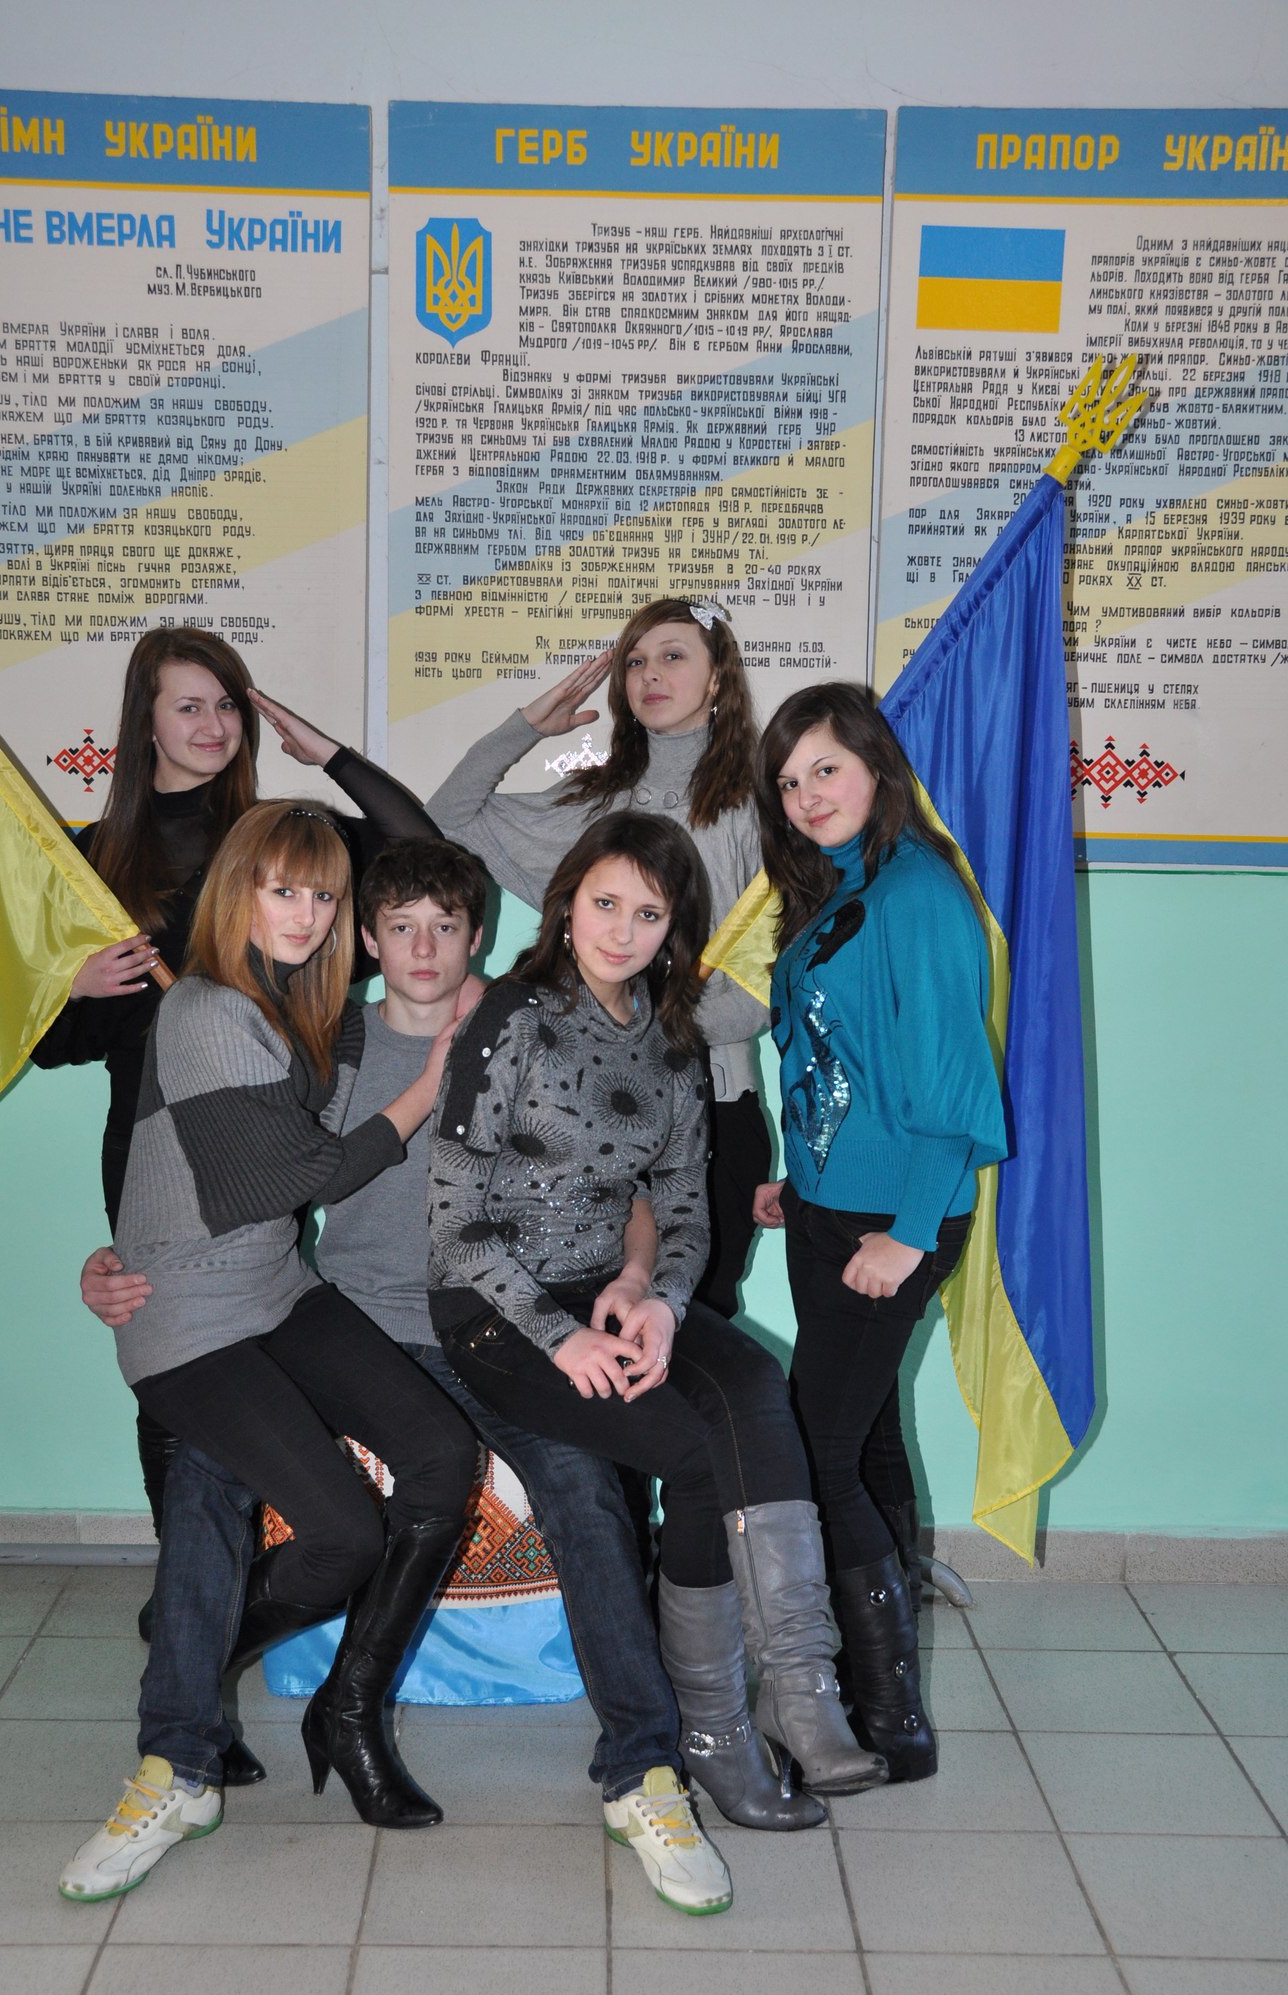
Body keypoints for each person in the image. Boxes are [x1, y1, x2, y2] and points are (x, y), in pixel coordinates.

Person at [81, 833, 820, 1913]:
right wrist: (115, 1256)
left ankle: (641, 1772)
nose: (422, 948)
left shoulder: (522, 1026)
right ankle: (182, 1748)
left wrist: (635, 1275)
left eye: (446, 926)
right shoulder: (321, 1035)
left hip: (492, 1329)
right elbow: (198, 1154)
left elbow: (631, 1181)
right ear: (365, 937)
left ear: (480, 936)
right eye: (398, 927)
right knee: (208, 1472)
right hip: (340, 1315)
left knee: (582, 1490)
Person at [427, 811, 888, 1909]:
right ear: (567, 902)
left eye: (648, 913)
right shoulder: (510, 1018)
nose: (622, 932)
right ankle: (716, 1733)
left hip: (613, 1286)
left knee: (755, 1385)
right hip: (497, 1311)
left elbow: (682, 1204)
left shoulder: (672, 1037)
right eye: (605, 904)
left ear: (675, 926)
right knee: (694, 1450)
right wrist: (565, 1335)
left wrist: (659, 1300)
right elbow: (452, 1226)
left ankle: (798, 1690)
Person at [31, 628, 440, 1781]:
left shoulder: (276, 837)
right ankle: (194, 1662)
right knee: (186, 1429)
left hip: (276, 1150)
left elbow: (422, 855)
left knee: (247, 1367)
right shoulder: (92, 857)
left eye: (227, 705)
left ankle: (196, 1643)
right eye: (188, 705)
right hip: (157, 1148)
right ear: (144, 720)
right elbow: (48, 1041)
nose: (212, 725)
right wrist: (66, 984)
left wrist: (333, 754)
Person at [58, 802, 478, 1904]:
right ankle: (175, 1756)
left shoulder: (298, 1003)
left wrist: (476, 988)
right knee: (337, 1532)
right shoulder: (203, 1008)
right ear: (236, 889)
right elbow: (289, 1180)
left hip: (278, 1288)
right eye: (281, 889)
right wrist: (434, 1075)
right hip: (187, 1316)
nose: (305, 913)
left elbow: (423, 863)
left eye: (324, 895)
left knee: (440, 1453)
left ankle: (209, 1667)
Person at [752, 683, 1007, 1781]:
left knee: (817, 1450)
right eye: (789, 779)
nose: (808, 794)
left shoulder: (918, 893)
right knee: (861, 1437)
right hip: (830, 1206)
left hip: (894, 1216)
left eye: (827, 768)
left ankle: (890, 1716)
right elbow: (837, 1057)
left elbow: (954, 1086)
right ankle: (870, 1686)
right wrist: (802, 1177)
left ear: (876, 767)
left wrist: (905, 1233)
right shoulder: (839, 887)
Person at [425, 598, 771, 1318]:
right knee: (594, 1317)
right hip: (587, 1112)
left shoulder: (760, 802)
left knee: (695, 1323)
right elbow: (448, 817)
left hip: (713, 1103)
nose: (650, 674)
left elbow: (760, 995)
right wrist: (525, 728)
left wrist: (654, 1032)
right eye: (635, 661)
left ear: (718, 678)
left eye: (673, 656)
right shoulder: (598, 799)